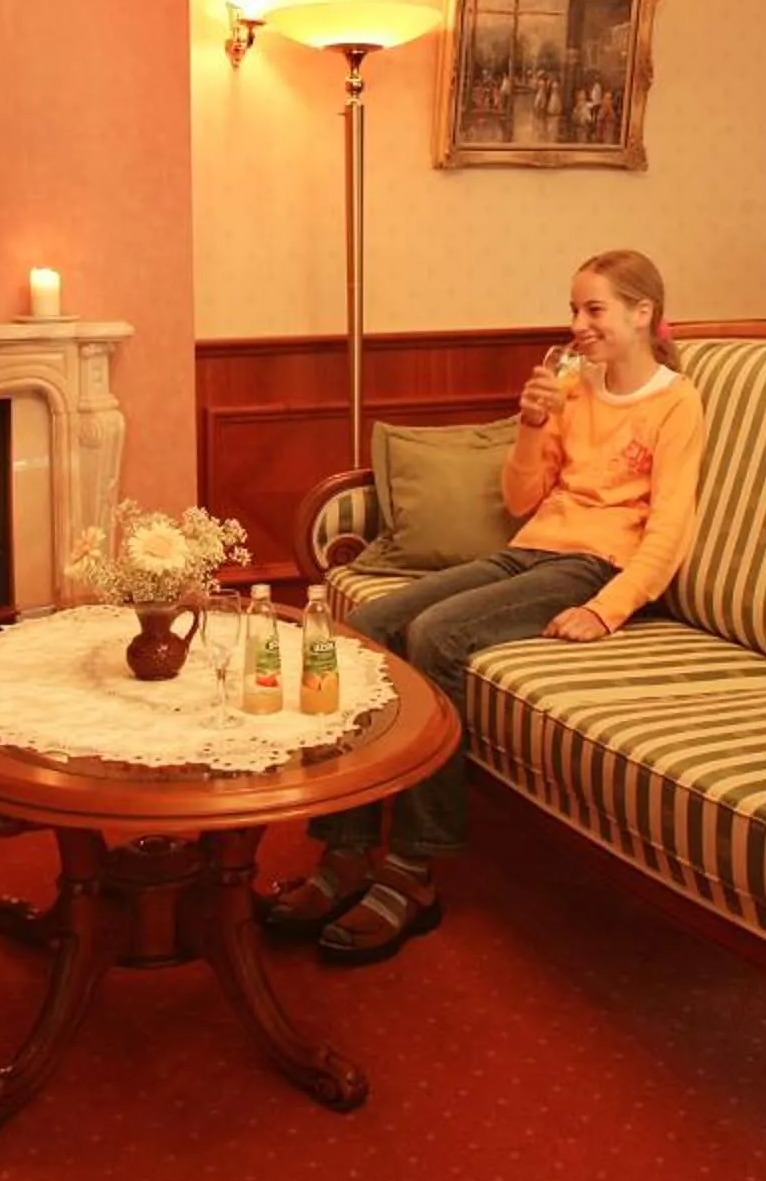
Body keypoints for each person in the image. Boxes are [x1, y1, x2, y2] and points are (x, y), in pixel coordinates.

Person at [259, 248, 705, 964]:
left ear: (642, 313)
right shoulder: (574, 387)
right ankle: (343, 851)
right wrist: (530, 425)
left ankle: (413, 869)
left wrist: (609, 608)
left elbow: (670, 527)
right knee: (366, 627)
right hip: (532, 549)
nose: (579, 324)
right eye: (573, 310)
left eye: (594, 309)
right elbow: (522, 500)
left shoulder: (676, 402)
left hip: (593, 566)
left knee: (436, 634)